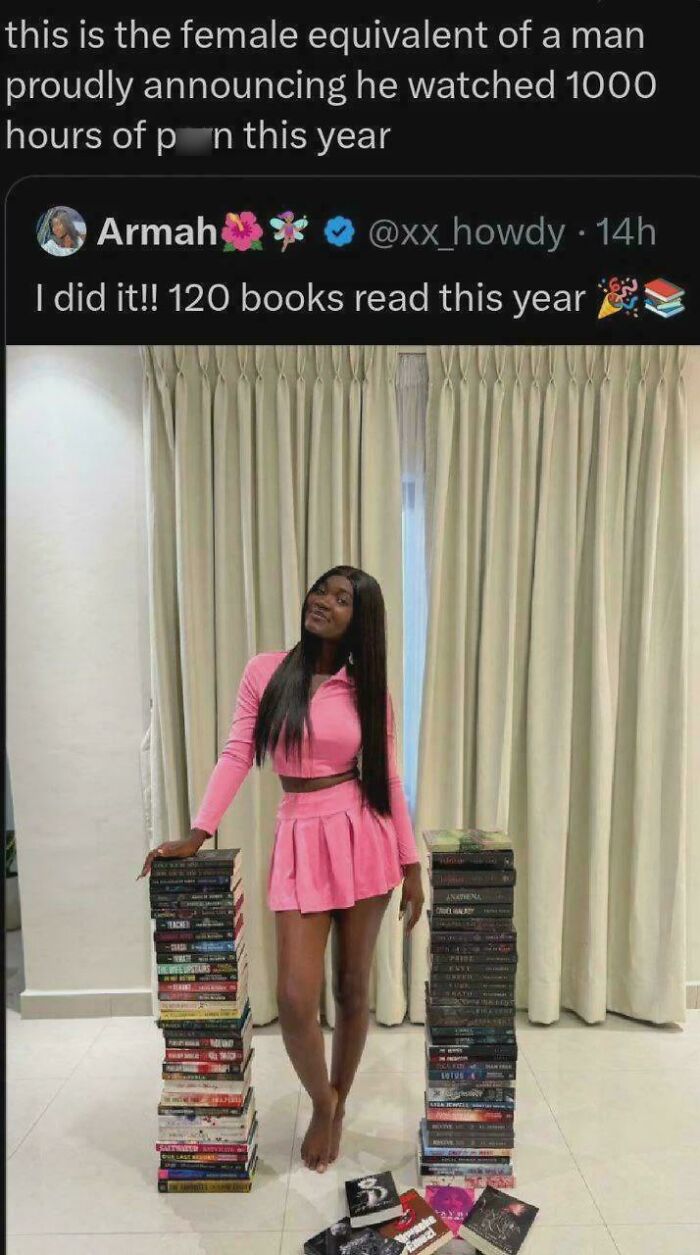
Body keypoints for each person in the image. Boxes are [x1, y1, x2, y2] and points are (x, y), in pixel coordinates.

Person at [139, 565, 425, 1172]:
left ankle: (337, 1108)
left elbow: (390, 777)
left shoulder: (367, 690)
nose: (323, 601)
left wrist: (412, 863)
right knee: (295, 997)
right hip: (300, 832)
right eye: (321, 589)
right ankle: (323, 1100)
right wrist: (197, 832)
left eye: (342, 598)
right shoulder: (267, 672)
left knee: (352, 989)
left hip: (362, 833)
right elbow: (239, 751)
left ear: (360, 619)